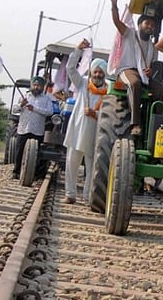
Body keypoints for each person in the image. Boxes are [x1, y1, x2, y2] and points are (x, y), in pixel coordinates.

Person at [109, 0, 163, 137]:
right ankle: (135, 124)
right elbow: (116, 21)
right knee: (134, 83)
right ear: (140, 24)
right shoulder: (129, 34)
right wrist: (114, 4)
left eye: (153, 25)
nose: (150, 26)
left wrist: (151, 72)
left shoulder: (153, 48)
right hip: (126, 70)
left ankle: (160, 126)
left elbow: (153, 67)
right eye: (147, 23)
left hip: (144, 75)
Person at [61, 39, 107, 204]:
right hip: (77, 130)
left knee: (92, 168)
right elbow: (70, 68)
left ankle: (88, 197)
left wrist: (96, 113)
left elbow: (109, 116)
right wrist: (78, 49)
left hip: (95, 135)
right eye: (95, 71)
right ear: (91, 72)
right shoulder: (82, 84)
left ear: (104, 74)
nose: (97, 75)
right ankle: (70, 194)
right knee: (71, 163)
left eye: (100, 72)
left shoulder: (108, 92)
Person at [12, 76, 53, 179]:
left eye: (38, 85)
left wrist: (34, 109)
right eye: (34, 85)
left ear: (42, 87)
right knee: (20, 151)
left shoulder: (46, 98)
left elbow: (49, 112)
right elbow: (14, 110)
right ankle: (16, 172)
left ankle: (35, 174)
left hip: (37, 130)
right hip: (23, 128)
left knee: (36, 153)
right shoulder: (25, 96)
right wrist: (21, 105)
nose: (36, 87)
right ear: (31, 86)